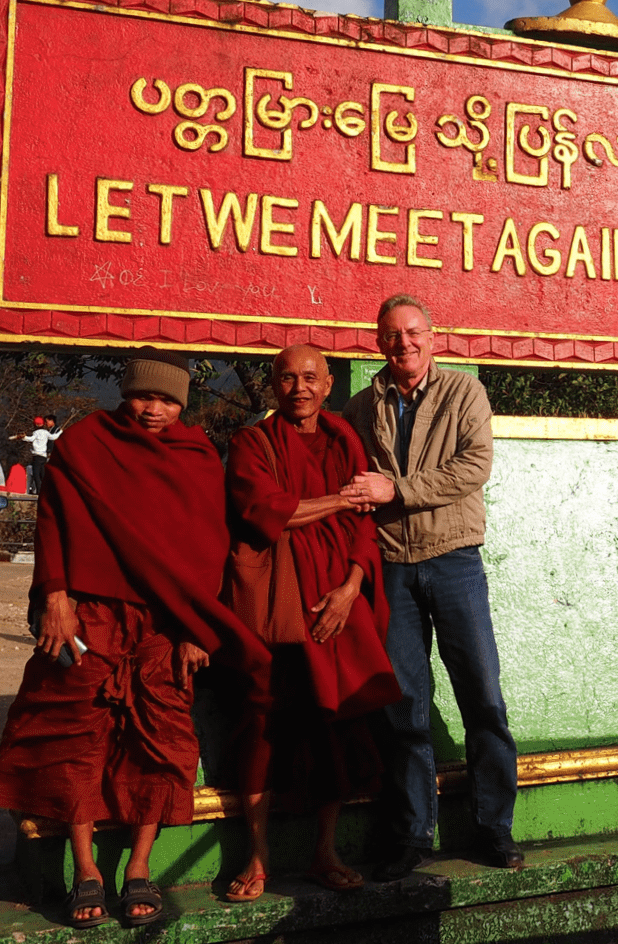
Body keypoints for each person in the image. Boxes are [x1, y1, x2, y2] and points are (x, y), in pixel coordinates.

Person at [0, 351, 269, 929]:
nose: (154, 410)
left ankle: (139, 868)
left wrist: (196, 628)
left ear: (183, 405)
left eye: (167, 400)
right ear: (126, 394)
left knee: (162, 740)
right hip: (89, 613)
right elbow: (53, 520)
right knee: (75, 735)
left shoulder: (195, 457)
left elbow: (206, 546)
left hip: (165, 622)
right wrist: (56, 597)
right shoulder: (87, 443)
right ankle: (87, 870)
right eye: (145, 397)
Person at [341, 295, 524, 880]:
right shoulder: (360, 406)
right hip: (392, 564)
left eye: (413, 332)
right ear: (379, 342)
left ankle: (494, 828)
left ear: (432, 336)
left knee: (483, 698)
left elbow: (475, 466)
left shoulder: (464, 392)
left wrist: (397, 491)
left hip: (454, 561)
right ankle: (413, 834)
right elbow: (348, 479)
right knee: (403, 709)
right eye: (392, 335)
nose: (404, 344)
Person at [221, 345, 400, 902]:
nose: (298, 387)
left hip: (334, 599)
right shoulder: (252, 443)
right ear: (273, 386)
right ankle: (257, 853)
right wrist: (340, 500)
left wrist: (351, 588)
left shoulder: (347, 439)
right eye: (286, 378)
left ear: (327, 386)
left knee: (334, 723)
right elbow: (268, 510)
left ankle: (326, 849)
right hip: (275, 599)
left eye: (309, 378)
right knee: (262, 723)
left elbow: (367, 525)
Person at [14, 416, 64, 495]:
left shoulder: (36, 433)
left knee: (36, 474)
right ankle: (45, 491)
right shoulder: (46, 432)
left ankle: (39, 491)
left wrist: (24, 437)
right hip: (43, 457)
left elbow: (31, 439)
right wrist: (60, 432)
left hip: (37, 456)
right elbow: (54, 437)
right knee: (42, 474)